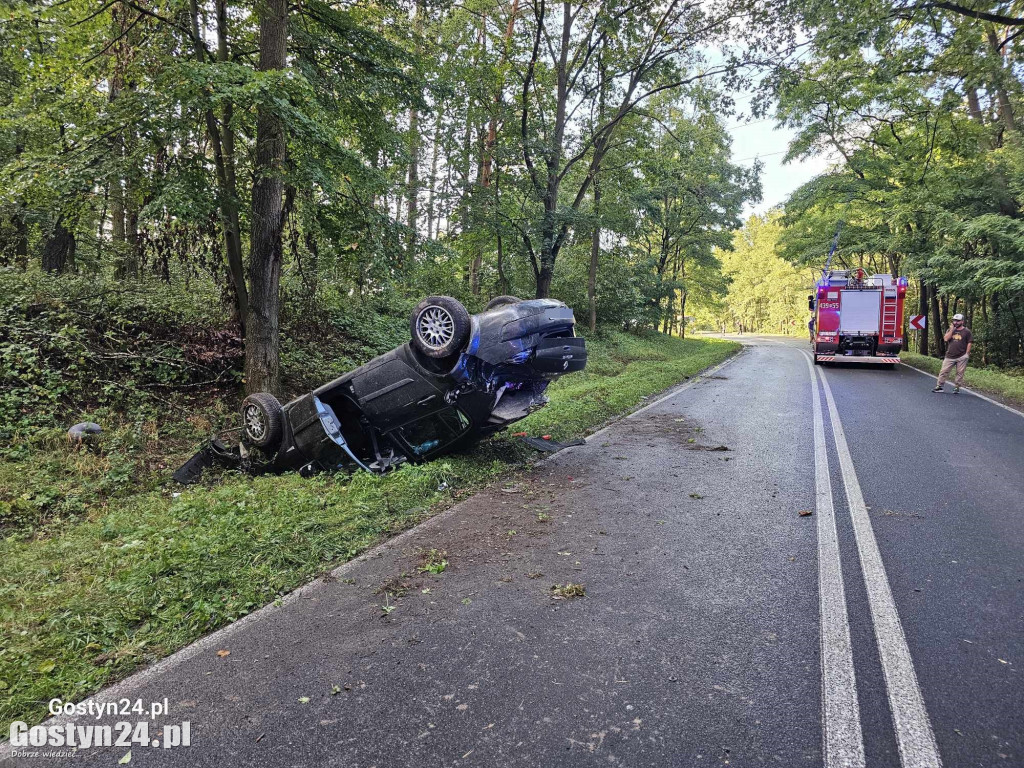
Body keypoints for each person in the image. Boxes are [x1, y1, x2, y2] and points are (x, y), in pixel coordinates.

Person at [932, 313, 972, 394]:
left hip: (962, 355)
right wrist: (952, 330)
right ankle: (939, 386)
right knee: (944, 371)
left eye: (958, 321)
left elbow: (969, 343)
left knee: (959, 372)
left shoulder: (967, 331)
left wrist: (967, 354)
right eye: (954, 320)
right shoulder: (950, 330)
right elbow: (946, 339)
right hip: (950, 355)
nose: (956, 322)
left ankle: (957, 387)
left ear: (962, 321)